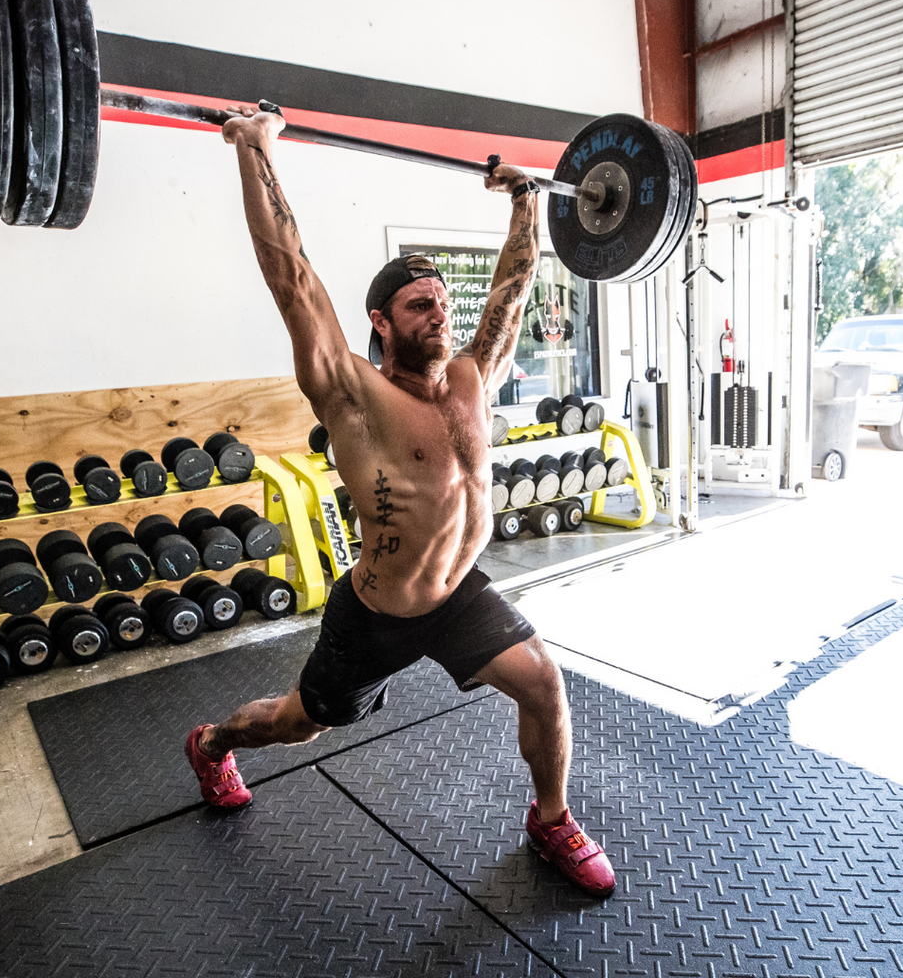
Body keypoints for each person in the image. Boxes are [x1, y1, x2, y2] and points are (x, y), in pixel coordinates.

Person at [184, 105, 615, 898]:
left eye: (440, 299)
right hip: (375, 616)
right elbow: (291, 277)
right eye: (421, 304)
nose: (440, 310)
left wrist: (527, 203)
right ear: (381, 323)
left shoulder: (470, 380)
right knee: (297, 722)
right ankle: (211, 742)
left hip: (457, 596)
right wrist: (253, 148)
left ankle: (550, 818)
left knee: (546, 684)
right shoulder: (353, 394)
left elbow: (511, 299)